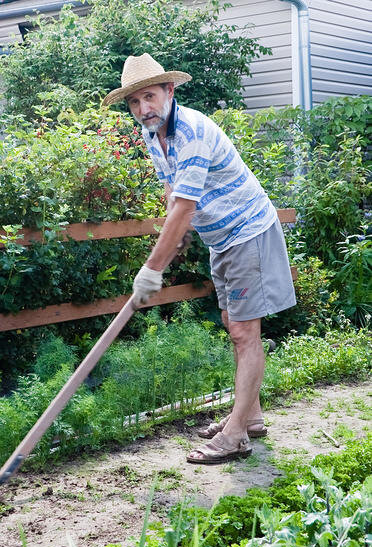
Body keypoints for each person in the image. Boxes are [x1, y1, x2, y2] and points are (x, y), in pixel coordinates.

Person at [102, 53, 296, 465]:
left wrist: (151, 269)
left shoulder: (190, 130)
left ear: (170, 91)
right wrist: (176, 241)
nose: (143, 109)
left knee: (245, 333)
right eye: (134, 103)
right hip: (220, 239)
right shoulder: (152, 136)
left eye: (150, 97)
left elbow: (184, 209)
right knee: (232, 325)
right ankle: (252, 416)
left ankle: (235, 434)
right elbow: (174, 197)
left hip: (248, 232)